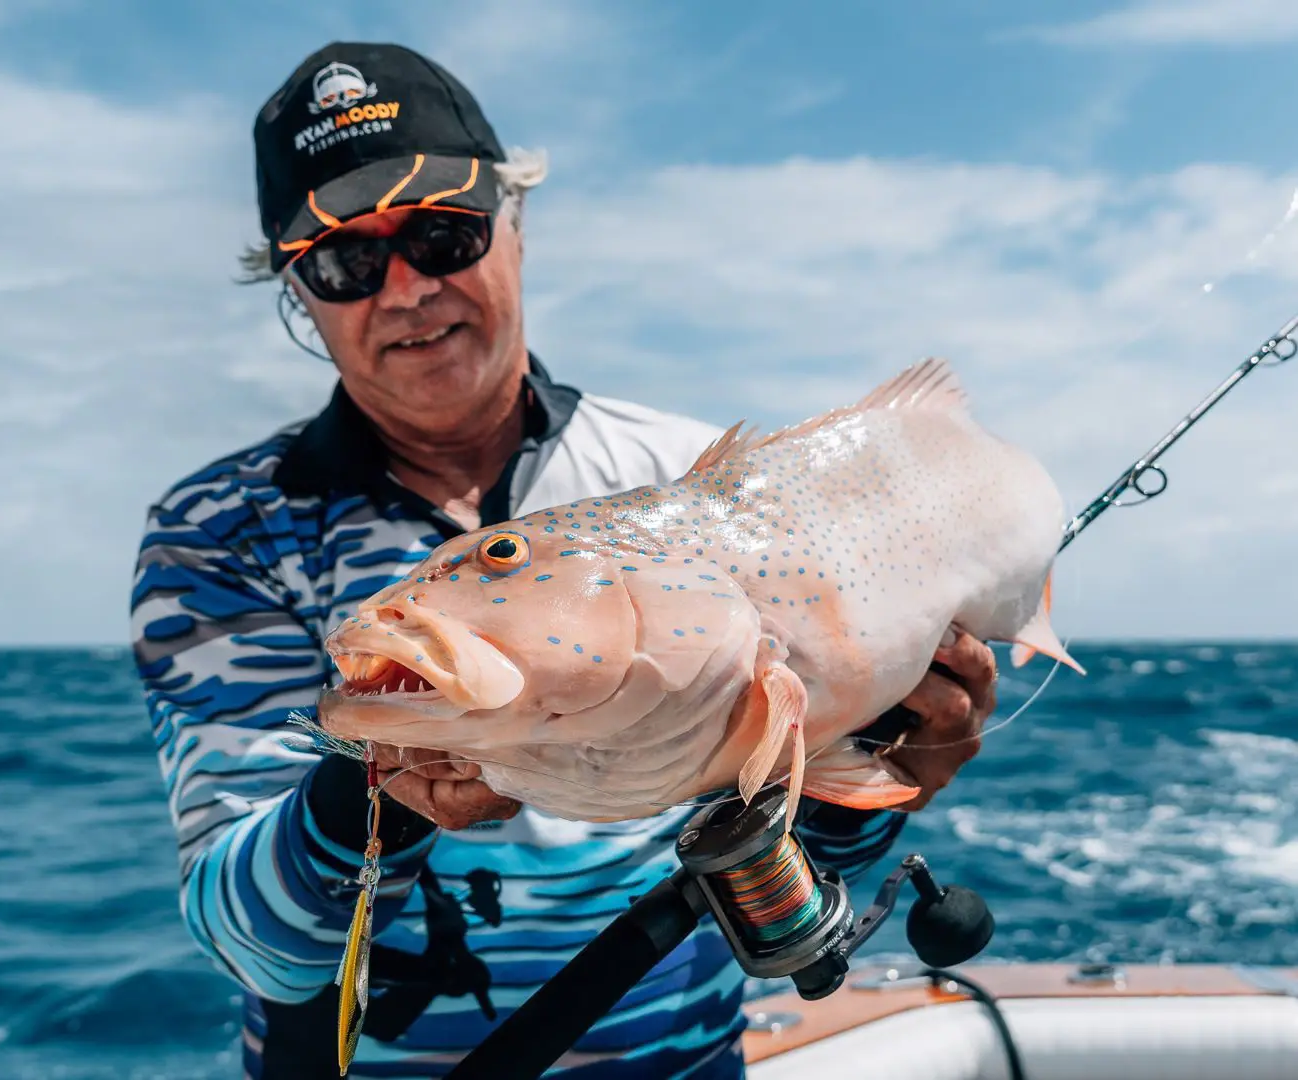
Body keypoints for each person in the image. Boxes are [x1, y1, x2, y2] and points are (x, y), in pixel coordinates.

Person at [130, 40, 999, 1080]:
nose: (404, 290)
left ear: (515, 225)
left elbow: (780, 909)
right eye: (347, 262)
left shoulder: (691, 481)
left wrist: (877, 782)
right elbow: (252, 941)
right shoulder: (224, 530)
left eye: (443, 235)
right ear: (298, 291)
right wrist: (381, 793)